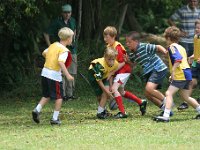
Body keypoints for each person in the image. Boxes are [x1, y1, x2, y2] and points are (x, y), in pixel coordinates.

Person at [154, 26, 200, 122]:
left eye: (166, 39)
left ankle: (166, 116)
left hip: (180, 73)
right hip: (187, 73)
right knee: (185, 97)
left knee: (168, 93)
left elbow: (178, 59)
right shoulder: (181, 47)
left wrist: (173, 72)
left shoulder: (172, 47)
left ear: (169, 38)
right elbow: (184, 59)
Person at [32, 27, 74, 125]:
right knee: (59, 97)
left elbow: (44, 53)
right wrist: (67, 75)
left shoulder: (53, 45)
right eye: (72, 37)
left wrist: (51, 58)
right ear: (68, 38)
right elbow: (60, 62)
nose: (72, 39)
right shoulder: (64, 50)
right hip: (54, 75)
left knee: (46, 95)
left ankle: (37, 110)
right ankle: (55, 119)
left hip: (44, 73)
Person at [103, 26, 147, 118]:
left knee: (115, 89)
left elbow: (123, 63)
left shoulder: (117, 47)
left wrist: (112, 73)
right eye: (104, 37)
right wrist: (110, 80)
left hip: (124, 70)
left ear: (113, 36)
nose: (105, 39)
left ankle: (122, 112)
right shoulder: (109, 46)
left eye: (107, 37)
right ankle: (141, 102)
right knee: (121, 92)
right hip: (118, 72)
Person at [125, 31, 169, 115]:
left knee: (149, 89)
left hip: (158, 68)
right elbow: (133, 64)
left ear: (136, 41)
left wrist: (165, 52)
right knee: (148, 94)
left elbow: (158, 47)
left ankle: (168, 103)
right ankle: (165, 110)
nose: (127, 44)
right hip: (149, 72)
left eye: (129, 42)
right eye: (126, 42)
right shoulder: (132, 53)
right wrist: (128, 61)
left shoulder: (144, 47)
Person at [168, 0, 200, 109]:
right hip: (186, 42)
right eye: (191, 0)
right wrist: (179, 32)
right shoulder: (182, 10)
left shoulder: (199, 11)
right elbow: (171, 19)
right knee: (191, 75)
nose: (193, 2)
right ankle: (186, 101)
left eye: (195, 0)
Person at [44, 4, 77, 101]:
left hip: (72, 50)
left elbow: (74, 31)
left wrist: (73, 41)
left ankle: (70, 94)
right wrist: (50, 46)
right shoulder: (56, 22)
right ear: (62, 13)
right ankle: (62, 95)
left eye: (69, 12)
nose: (67, 15)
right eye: (65, 13)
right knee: (61, 72)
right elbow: (46, 33)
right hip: (60, 50)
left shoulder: (73, 20)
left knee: (72, 72)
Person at [88, 47, 119, 119]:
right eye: (109, 59)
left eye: (113, 59)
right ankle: (103, 110)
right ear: (105, 56)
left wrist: (110, 86)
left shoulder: (116, 64)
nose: (111, 62)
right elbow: (99, 80)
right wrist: (106, 91)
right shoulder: (98, 65)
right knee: (100, 96)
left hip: (105, 76)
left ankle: (100, 113)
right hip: (93, 76)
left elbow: (111, 74)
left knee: (105, 94)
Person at [188, 19, 200, 103]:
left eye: (199, 28)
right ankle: (186, 101)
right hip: (196, 62)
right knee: (191, 81)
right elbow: (196, 51)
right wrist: (191, 57)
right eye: (196, 28)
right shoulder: (195, 37)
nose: (196, 29)